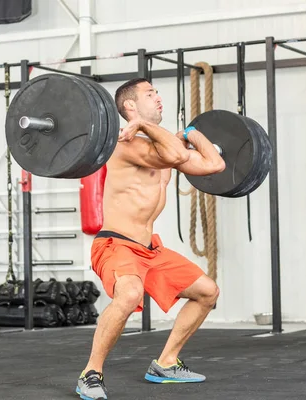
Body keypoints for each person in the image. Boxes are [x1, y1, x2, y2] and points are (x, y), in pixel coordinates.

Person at [76, 78, 226, 400]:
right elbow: (174, 155)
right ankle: (91, 372)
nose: (159, 97)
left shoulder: (162, 144)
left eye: (157, 92)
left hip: (150, 249)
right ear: (130, 106)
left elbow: (216, 164)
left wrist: (190, 133)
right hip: (116, 243)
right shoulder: (125, 143)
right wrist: (149, 128)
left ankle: (166, 362)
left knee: (207, 292)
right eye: (150, 94)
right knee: (129, 293)